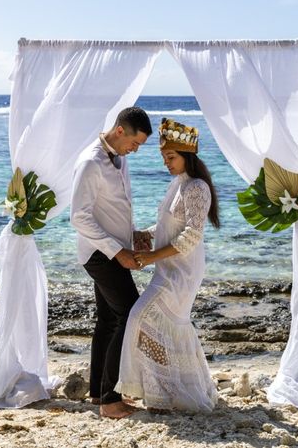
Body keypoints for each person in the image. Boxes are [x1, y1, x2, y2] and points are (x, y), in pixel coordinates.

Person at [116, 117, 220, 413]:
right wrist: (143, 235)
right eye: (163, 157)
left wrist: (150, 257)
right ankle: (162, 392)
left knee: (141, 318)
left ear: (186, 156)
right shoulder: (178, 184)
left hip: (182, 272)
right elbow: (168, 226)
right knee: (151, 324)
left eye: (171, 157)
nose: (166, 163)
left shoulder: (197, 187)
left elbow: (192, 235)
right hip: (167, 268)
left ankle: (163, 392)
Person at [70, 106, 153, 419]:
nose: (135, 150)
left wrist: (133, 236)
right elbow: (79, 217)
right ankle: (109, 399)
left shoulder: (120, 158)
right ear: (120, 131)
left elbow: (113, 209)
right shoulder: (90, 162)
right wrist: (118, 253)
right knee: (129, 314)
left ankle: (97, 393)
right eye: (135, 143)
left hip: (116, 248)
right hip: (99, 255)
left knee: (108, 319)